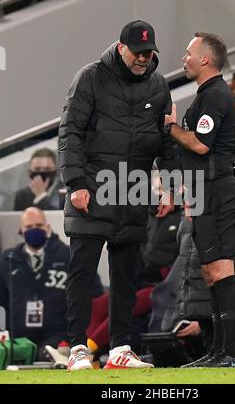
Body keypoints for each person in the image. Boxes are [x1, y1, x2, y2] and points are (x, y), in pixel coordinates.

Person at [58, 20, 176, 370]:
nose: (144, 59)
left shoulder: (158, 85)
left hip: (133, 192)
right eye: (138, 52)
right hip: (92, 189)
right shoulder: (90, 77)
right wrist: (75, 182)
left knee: (126, 276)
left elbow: (166, 143)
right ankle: (78, 348)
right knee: (82, 271)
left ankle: (121, 349)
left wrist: (167, 185)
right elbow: (70, 132)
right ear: (121, 47)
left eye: (149, 52)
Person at [164, 33, 235, 367]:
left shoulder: (215, 95)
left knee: (221, 269)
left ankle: (231, 353)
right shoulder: (208, 95)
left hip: (216, 192)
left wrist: (170, 127)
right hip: (203, 191)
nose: (184, 58)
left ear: (205, 59)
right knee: (210, 271)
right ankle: (218, 350)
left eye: (188, 53)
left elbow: (200, 144)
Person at [0, 208, 70, 360]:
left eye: (39, 225)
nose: (34, 230)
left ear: (48, 227)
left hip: (58, 337)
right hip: (18, 340)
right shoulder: (8, 261)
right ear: (21, 231)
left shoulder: (67, 256)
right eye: (29, 227)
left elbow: (90, 295)